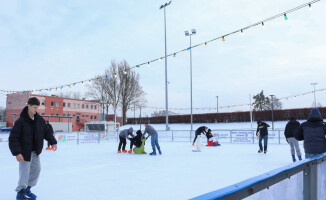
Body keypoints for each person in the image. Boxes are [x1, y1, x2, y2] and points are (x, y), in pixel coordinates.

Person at [9, 97, 57, 200]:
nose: (36, 110)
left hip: (36, 151)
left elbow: (46, 132)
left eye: (37, 107)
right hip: (24, 152)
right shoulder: (21, 121)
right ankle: (20, 193)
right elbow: (13, 138)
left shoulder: (39, 120)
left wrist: (52, 141)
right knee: (24, 173)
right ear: (29, 106)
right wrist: (17, 152)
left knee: (36, 170)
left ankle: (27, 189)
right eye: (34, 107)